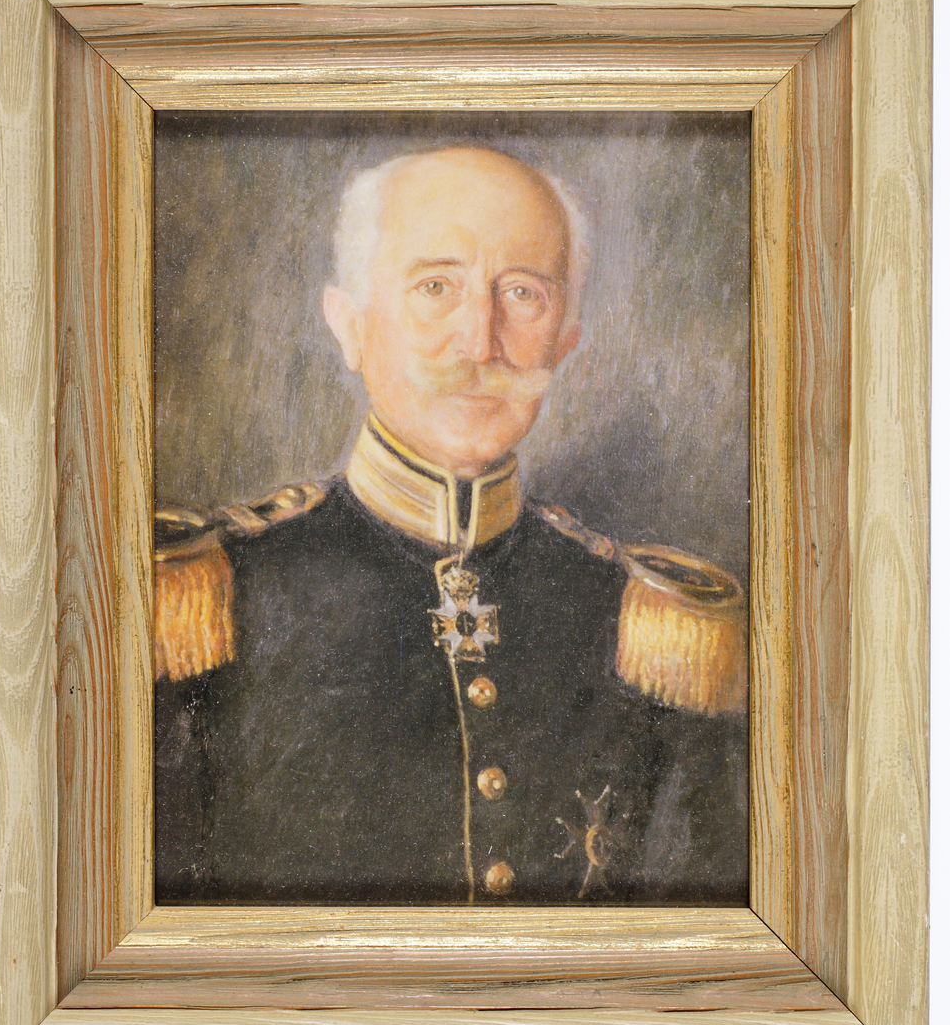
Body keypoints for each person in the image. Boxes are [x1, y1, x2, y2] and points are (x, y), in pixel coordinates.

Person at [154, 146, 748, 906]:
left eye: (523, 294)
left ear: (565, 338)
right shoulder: (205, 600)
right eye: (436, 287)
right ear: (350, 326)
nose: (480, 340)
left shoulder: (656, 626)